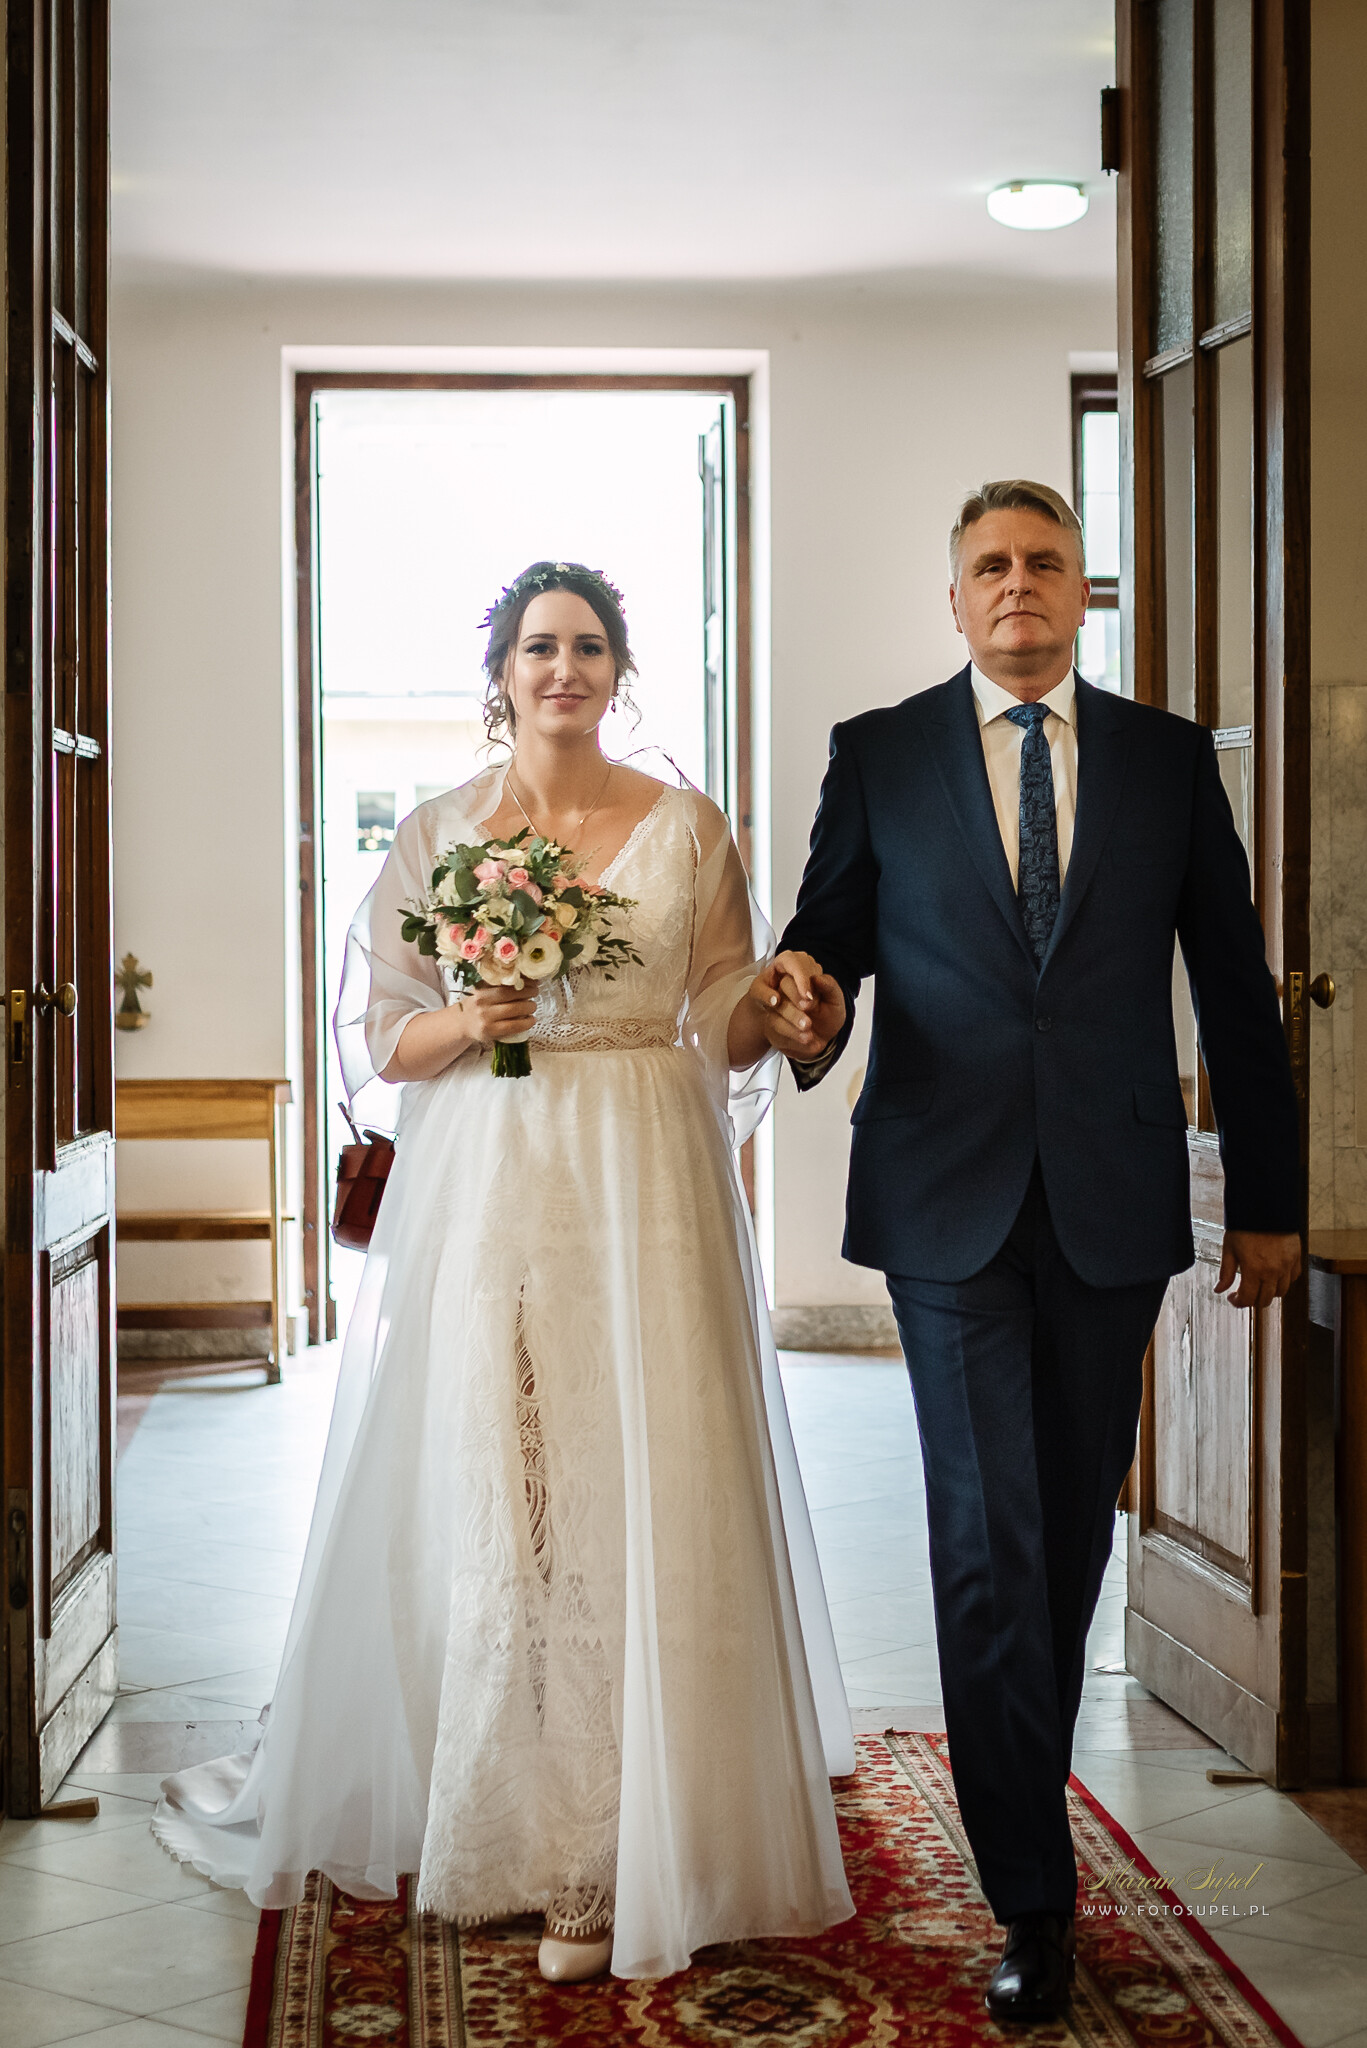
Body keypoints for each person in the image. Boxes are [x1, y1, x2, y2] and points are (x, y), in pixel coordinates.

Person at [153, 560, 854, 1983]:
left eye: (589, 646)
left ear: (620, 670)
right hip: (493, 1181)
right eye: (540, 647)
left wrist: (777, 1015)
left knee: (643, 1470)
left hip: (645, 1176)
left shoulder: (688, 826)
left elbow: (716, 1007)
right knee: (516, 1477)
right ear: (502, 673)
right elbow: (382, 1040)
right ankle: (519, 1811)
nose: (565, 669)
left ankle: (631, 1827)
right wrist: (476, 1016)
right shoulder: (437, 833)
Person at [754, 482, 1301, 2022]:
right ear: (955, 601)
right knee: (990, 1532)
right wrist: (808, 1006)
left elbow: (1234, 982)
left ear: (1080, 592)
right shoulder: (881, 754)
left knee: (1067, 1529)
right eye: (989, 566)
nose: (1017, 584)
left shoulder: (1166, 761)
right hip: (944, 1196)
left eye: (1044, 563)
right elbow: (828, 940)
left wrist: (1267, 1194)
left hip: (1113, 1197)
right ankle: (1033, 1898)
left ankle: (1020, 1781)